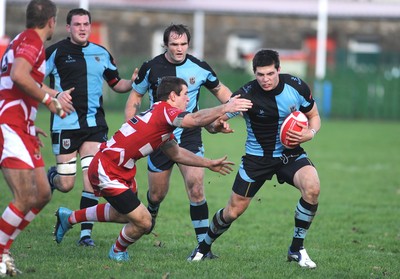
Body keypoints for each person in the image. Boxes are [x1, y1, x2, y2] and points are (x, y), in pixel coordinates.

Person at [53, 76, 252, 262]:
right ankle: (117, 251)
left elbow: (176, 154)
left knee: (123, 214)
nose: (187, 100)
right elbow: (195, 120)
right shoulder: (166, 111)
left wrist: (208, 163)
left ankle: (69, 217)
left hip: (121, 168)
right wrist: (226, 107)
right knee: (145, 222)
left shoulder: (161, 118)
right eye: (185, 95)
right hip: (108, 168)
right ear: (173, 96)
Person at [187, 49, 321, 269]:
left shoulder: (296, 87)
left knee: (312, 187)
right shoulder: (246, 95)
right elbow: (212, 124)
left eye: (270, 73)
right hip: (257, 159)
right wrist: (217, 126)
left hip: (290, 153)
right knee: (233, 212)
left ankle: (296, 249)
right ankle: (204, 247)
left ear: (279, 70)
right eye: (260, 74)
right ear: (254, 73)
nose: (265, 79)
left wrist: (310, 133)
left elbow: (314, 116)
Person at [124, 24, 233, 257]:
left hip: (190, 135)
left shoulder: (200, 68)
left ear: (188, 44)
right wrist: (132, 125)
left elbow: (224, 95)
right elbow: (135, 95)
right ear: (166, 44)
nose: (179, 48)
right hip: (159, 136)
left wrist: (227, 115)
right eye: (174, 44)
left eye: (183, 44)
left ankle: (203, 248)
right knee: (156, 194)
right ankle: (151, 213)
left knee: (196, 187)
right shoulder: (151, 67)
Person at [44, 8, 137, 247]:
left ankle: (85, 235)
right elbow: (32, 80)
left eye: (86, 24)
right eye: (77, 24)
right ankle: (52, 175)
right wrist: (56, 94)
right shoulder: (55, 52)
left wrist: (133, 81)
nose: (82, 28)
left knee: (92, 181)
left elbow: (117, 84)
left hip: (95, 127)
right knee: (66, 185)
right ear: (68, 27)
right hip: (65, 125)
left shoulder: (101, 53)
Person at [0, 0, 74, 276]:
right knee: (24, 196)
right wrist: (47, 98)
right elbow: (19, 75)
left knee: (42, 193)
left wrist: (53, 96)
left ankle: (3, 248)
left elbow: (21, 78)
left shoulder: (22, 38)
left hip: (23, 126)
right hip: (9, 125)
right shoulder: (32, 40)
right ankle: (0, 251)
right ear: (52, 21)